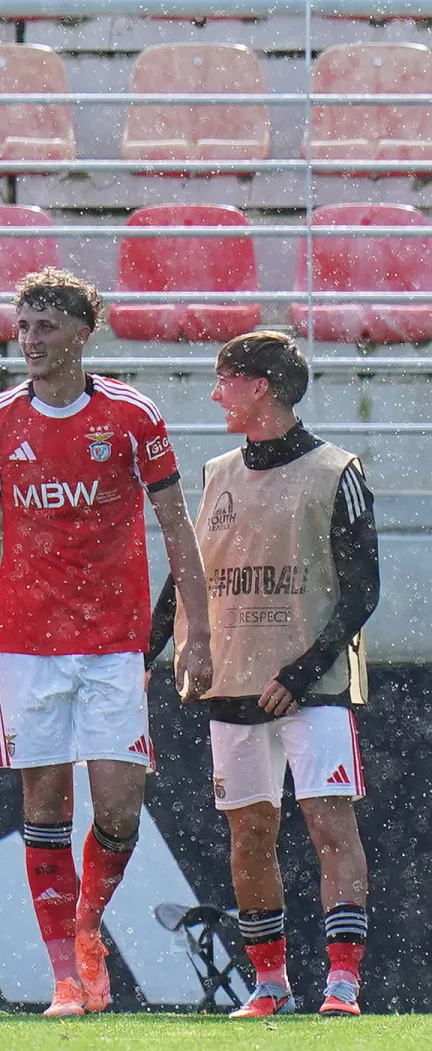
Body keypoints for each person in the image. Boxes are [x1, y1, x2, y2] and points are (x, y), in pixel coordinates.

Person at [0, 269, 214, 1018]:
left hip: (114, 643)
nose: (29, 341)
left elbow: (176, 526)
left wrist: (195, 632)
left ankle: (87, 926)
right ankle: (66, 974)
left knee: (119, 809)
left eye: (45, 328)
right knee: (46, 805)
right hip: (27, 646)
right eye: (22, 328)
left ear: (82, 335)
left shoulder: (130, 416)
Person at [146, 332, 377, 1018]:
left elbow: (363, 589)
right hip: (232, 684)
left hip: (314, 690)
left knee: (329, 826)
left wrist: (303, 672)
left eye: (225, 379)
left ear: (261, 387)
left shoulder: (337, 470)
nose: (215, 393)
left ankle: (343, 982)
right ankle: (270, 983)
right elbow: (188, 577)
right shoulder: (217, 472)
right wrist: (143, 655)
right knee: (249, 835)